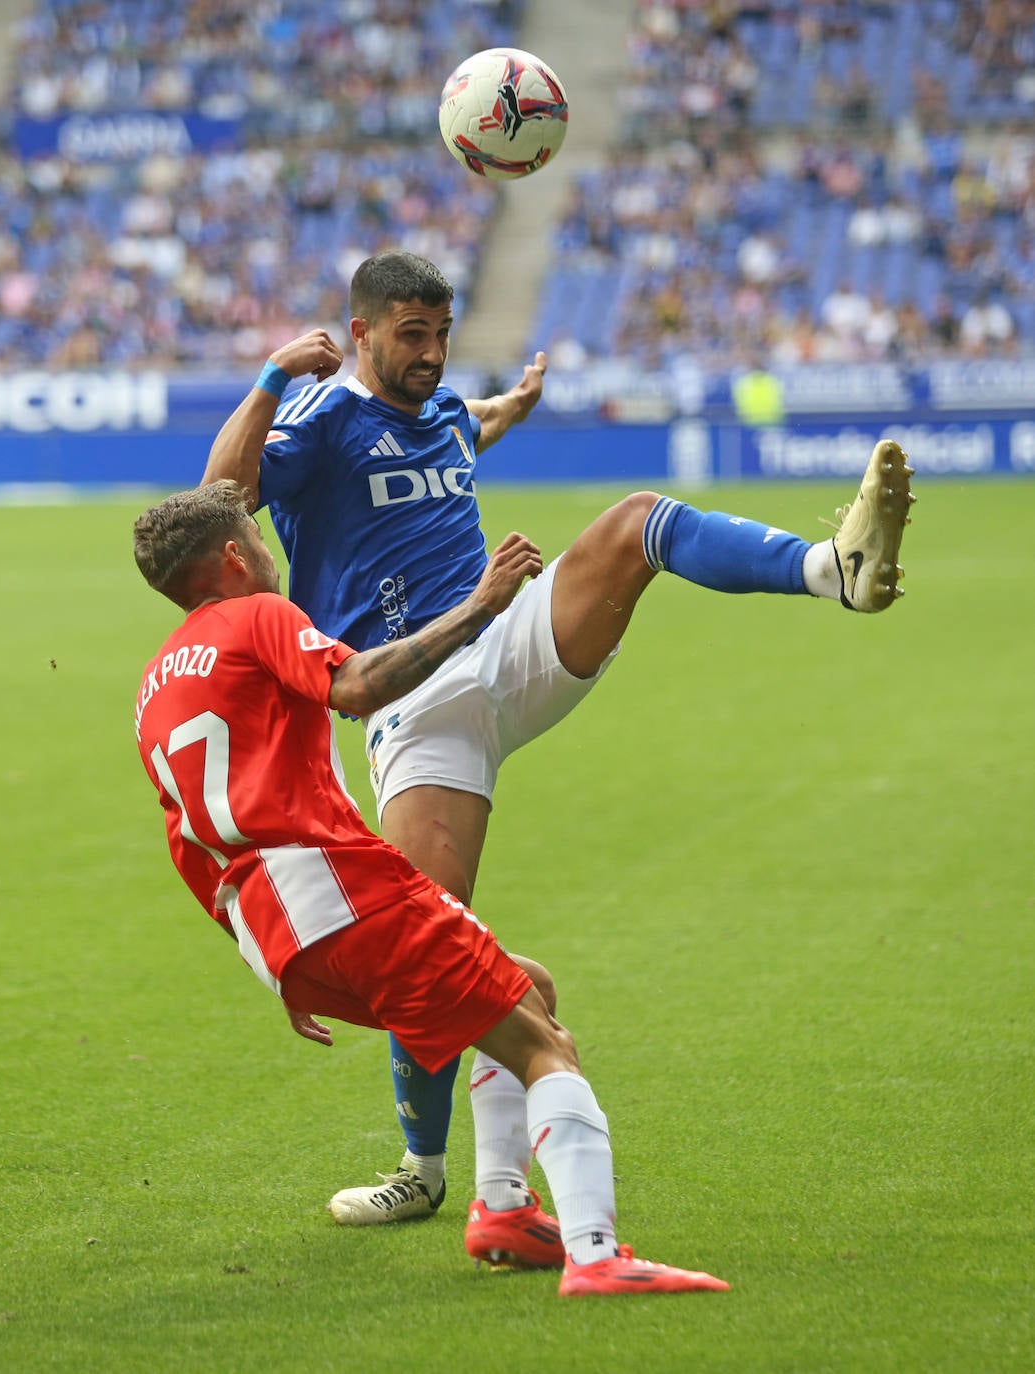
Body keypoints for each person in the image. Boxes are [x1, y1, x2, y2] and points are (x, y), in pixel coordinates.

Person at [201, 249, 915, 1259]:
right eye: (411, 335)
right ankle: (438, 1175)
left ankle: (829, 569)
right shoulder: (317, 426)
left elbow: (464, 428)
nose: (433, 354)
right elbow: (219, 503)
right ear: (359, 333)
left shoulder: (444, 410)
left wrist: (511, 407)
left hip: (510, 638)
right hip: (415, 699)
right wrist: (273, 375)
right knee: (436, 951)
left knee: (636, 524)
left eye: (442, 334)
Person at [132, 480, 731, 1298]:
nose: (273, 556)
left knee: (529, 990)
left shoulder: (156, 682)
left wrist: (277, 958)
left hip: (285, 938)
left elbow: (192, 841)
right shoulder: (258, 616)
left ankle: (505, 1210)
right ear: (234, 556)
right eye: (260, 542)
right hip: (348, 895)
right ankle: (598, 1256)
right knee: (544, 1047)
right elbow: (355, 687)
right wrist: (481, 605)